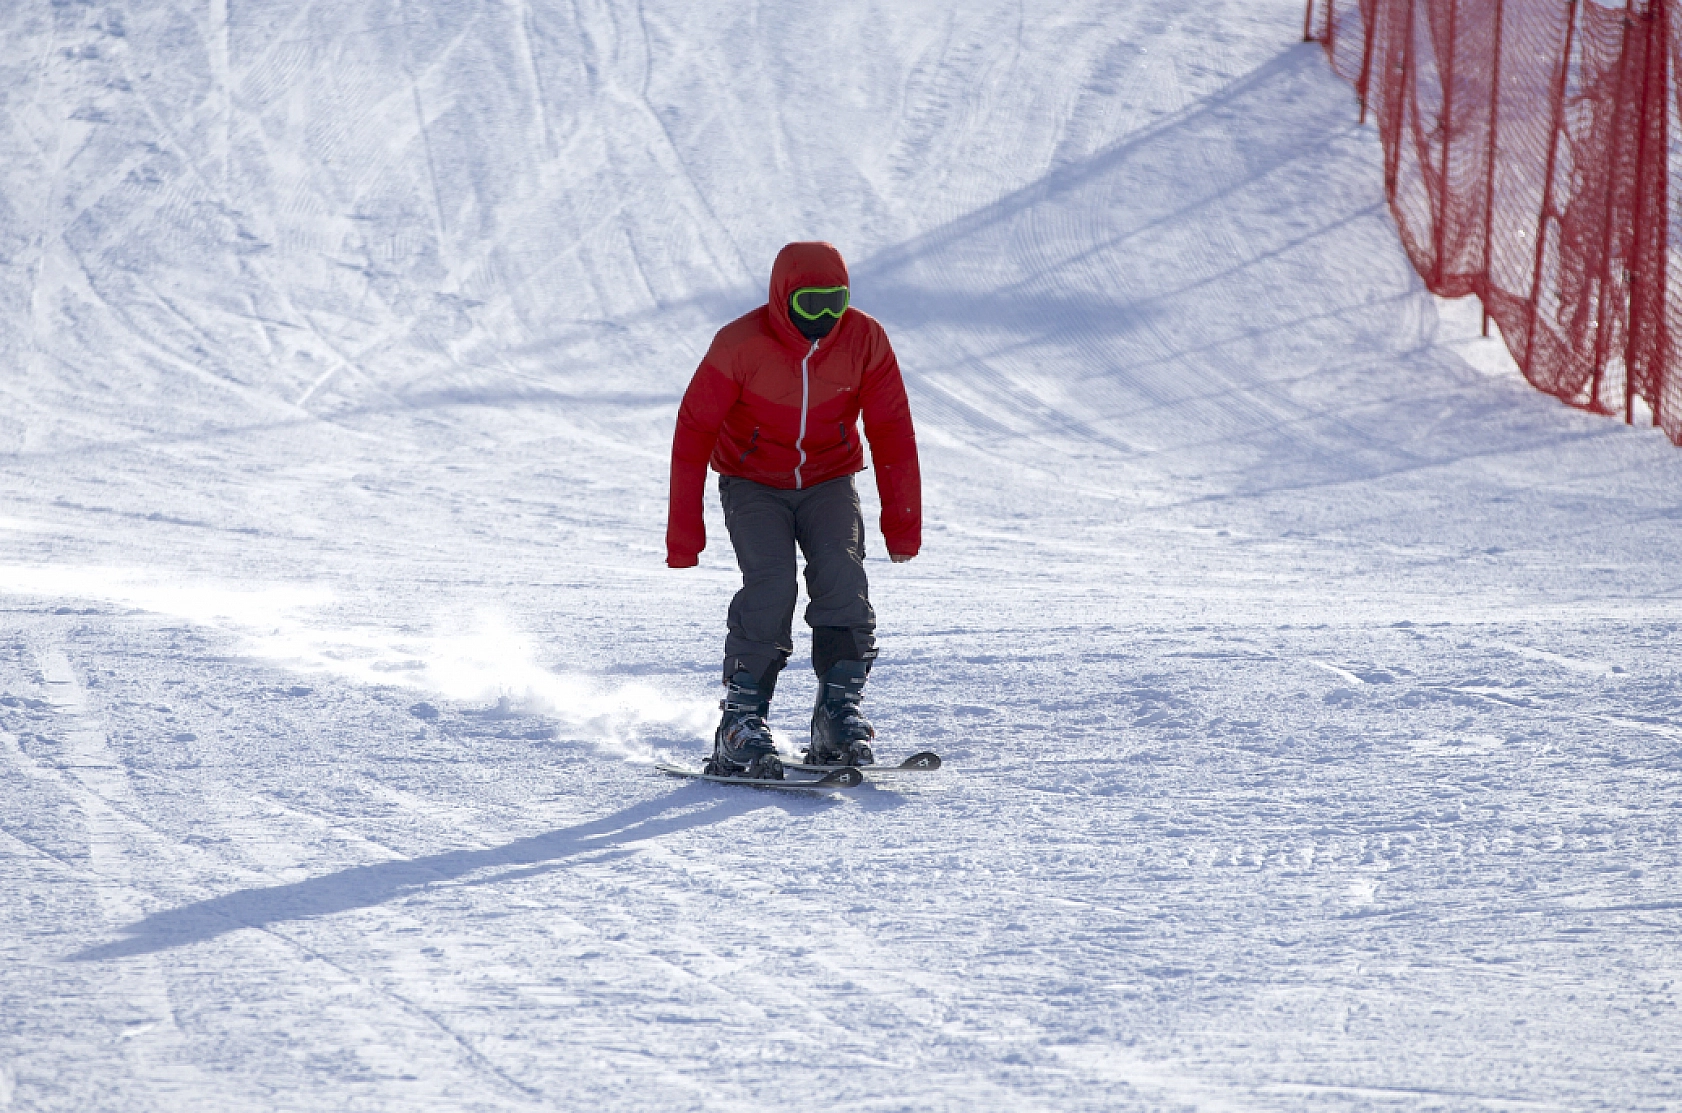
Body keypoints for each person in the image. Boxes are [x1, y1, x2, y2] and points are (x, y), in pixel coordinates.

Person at [666, 241, 921, 779]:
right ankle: (739, 723)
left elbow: (892, 429)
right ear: (784, 301)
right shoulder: (740, 343)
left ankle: (836, 713)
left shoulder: (864, 339)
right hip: (752, 482)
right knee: (772, 582)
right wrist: (683, 536)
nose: (825, 320)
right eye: (811, 305)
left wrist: (901, 525)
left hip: (829, 479)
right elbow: (693, 433)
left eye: (836, 303)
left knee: (843, 575)